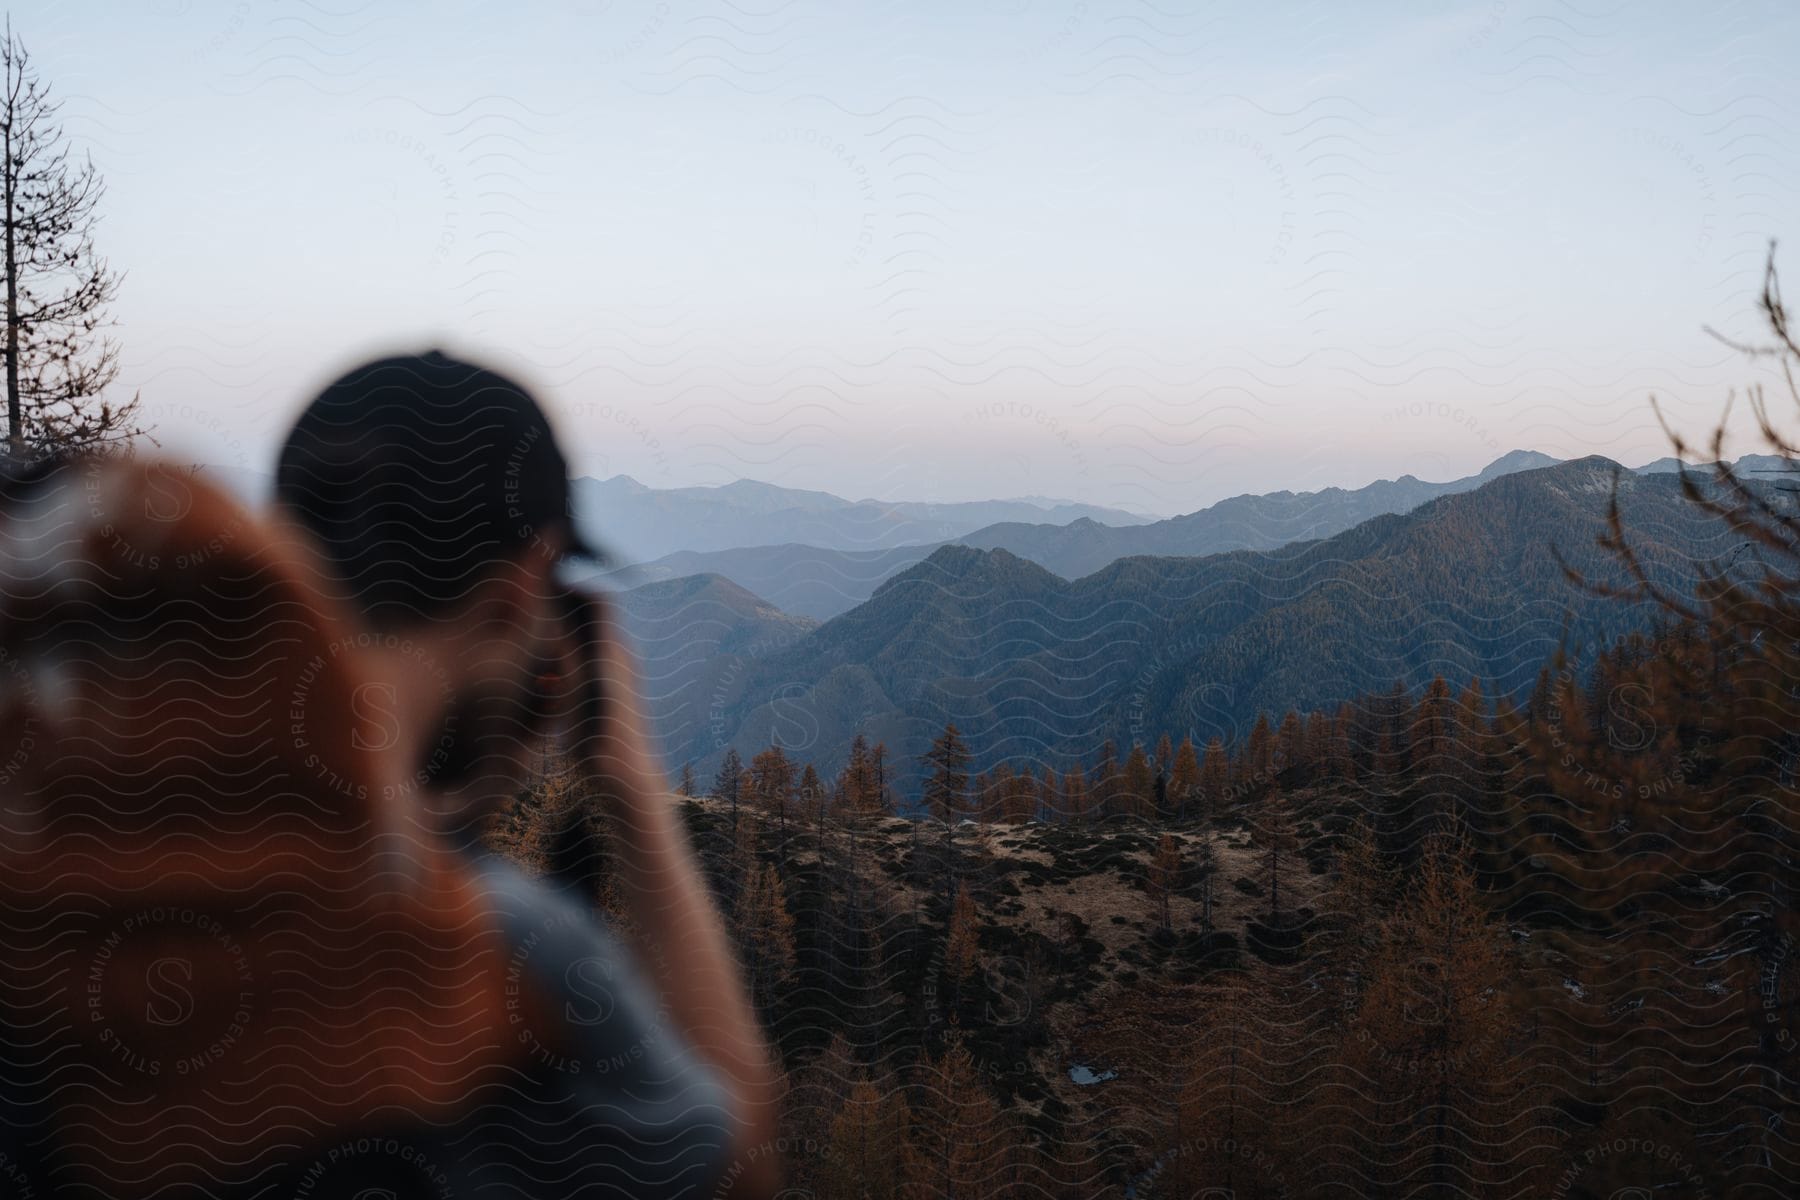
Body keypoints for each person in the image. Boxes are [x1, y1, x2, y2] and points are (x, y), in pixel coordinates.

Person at [272, 349, 781, 1196]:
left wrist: (459, 794)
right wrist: (626, 787)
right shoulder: (499, 945)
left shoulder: (97, 829)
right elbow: (739, 1164)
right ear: (521, 587)